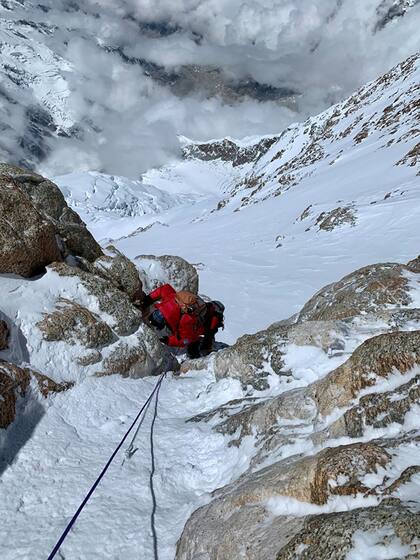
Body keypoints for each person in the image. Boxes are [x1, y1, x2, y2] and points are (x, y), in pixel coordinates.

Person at [142, 284, 202, 358]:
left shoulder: (172, 297)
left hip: (197, 329)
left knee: (193, 340)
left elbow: (186, 339)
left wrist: (148, 299)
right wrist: (168, 340)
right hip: (173, 327)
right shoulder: (186, 317)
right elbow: (185, 339)